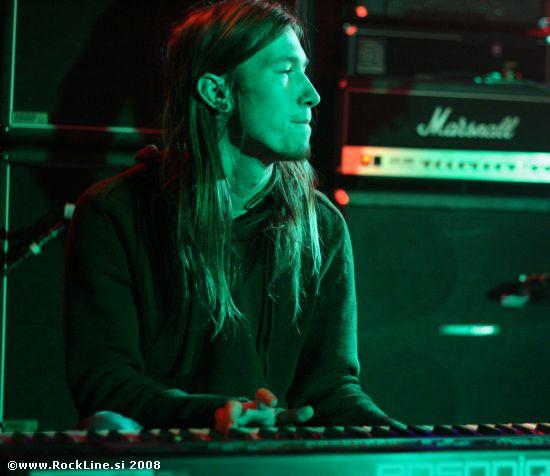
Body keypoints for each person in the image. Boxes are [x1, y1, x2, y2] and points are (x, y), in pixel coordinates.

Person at [64, 0, 400, 433]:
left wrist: (402, 441)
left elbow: (330, 388)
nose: (312, 94)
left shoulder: (323, 226)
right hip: (160, 456)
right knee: (105, 425)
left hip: (269, 458)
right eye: (285, 71)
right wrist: (214, 414)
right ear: (217, 92)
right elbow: (105, 383)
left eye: (304, 70)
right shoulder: (114, 213)